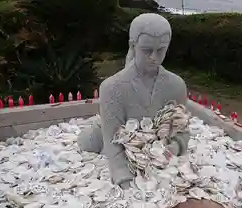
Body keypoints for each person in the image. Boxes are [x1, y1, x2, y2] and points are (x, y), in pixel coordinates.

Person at [77, 13, 189, 189]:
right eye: (147, 50)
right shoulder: (112, 87)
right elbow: (113, 142)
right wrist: (122, 175)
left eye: (161, 50)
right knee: (87, 142)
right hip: (117, 141)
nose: (154, 57)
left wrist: (173, 149)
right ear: (133, 45)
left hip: (155, 151)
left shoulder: (176, 86)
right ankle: (97, 127)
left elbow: (181, 131)